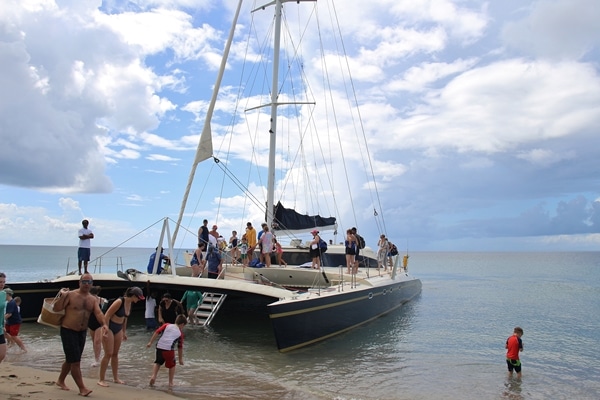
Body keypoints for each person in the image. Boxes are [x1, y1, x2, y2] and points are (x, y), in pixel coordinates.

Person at [53, 274, 107, 396]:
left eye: (89, 282)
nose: (87, 284)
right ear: (79, 282)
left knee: (71, 359)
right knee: (75, 361)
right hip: (68, 330)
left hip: (82, 332)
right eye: (84, 281)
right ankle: (82, 388)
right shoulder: (70, 295)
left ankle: (60, 380)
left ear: (92, 283)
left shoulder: (92, 299)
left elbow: (98, 313)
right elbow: (56, 308)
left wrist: (104, 324)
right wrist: (62, 295)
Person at [98, 286, 145, 387]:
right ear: (133, 296)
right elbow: (107, 315)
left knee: (115, 354)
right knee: (108, 353)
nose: (138, 300)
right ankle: (101, 379)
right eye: (138, 298)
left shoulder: (130, 303)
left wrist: (124, 332)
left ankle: (116, 378)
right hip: (109, 327)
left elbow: (125, 318)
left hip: (118, 328)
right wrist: (105, 329)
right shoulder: (120, 301)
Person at [147, 314, 187, 389]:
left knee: (157, 362)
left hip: (159, 347)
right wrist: (180, 359)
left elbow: (157, 332)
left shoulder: (166, 325)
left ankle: (153, 376)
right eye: (183, 326)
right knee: (172, 365)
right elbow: (180, 347)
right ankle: (171, 382)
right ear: (182, 324)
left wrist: (150, 342)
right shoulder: (180, 333)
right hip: (168, 350)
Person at [88, 286, 106, 366]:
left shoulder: (101, 300)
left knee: (97, 341)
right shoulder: (87, 300)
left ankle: (97, 360)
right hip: (90, 322)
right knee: (94, 342)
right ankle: (98, 356)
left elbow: (105, 311)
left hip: (99, 323)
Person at [4, 288, 26, 353]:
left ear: (7, 295)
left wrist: (2, 319)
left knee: (14, 336)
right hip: (9, 321)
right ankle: (12, 343)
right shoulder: (8, 302)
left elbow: (9, 314)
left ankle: (23, 349)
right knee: (5, 333)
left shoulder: (11, 303)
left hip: (15, 322)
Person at [0, 272, 7, 364]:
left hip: (0, 328)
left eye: (3, 282)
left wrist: (3, 325)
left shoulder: (3, 294)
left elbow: (2, 312)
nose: (2, 284)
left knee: (2, 354)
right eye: (0, 282)